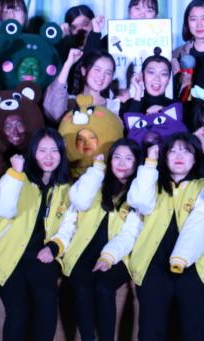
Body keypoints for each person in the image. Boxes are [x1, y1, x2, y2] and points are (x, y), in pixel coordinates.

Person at [0, 127, 76, 341]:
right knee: (18, 312)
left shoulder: (67, 188)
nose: (48, 156)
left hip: (43, 257)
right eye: (42, 150)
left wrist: (54, 247)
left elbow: (69, 226)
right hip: (8, 257)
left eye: (54, 150)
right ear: (33, 152)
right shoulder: (14, 178)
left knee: (47, 308)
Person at [126, 133, 204, 341]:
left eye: (186, 151)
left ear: (195, 158)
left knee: (196, 331)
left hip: (196, 268)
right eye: (172, 151)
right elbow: (139, 202)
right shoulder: (151, 183)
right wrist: (150, 162)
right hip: (153, 266)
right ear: (164, 156)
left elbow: (202, 223)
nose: (179, 156)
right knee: (150, 331)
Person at [62, 139, 144, 341]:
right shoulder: (95, 182)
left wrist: (108, 257)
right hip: (84, 250)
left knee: (103, 288)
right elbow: (79, 202)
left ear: (137, 163)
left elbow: (129, 235)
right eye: (117, 157)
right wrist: (96, 169)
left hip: (120, 255)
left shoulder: (139, 193)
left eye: (128, 158)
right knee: (82, 287)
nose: (121, 163)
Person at [44, 50, 119, 122]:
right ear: (83, 71)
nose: (102, 76)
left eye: (108, 73)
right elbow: (53, 114)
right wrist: (68, 64)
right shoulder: (69, 101)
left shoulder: (113, 106)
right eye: (97, 70)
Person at [122, 49, 174, 115]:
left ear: (169, 78)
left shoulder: (176, 107)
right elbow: (130, 120)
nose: (157, 79)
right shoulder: (128, 105)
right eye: (151, 72)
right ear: (142, 75)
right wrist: (138, 91)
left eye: (163, 74)